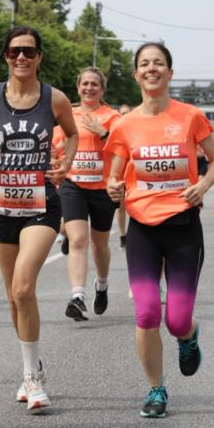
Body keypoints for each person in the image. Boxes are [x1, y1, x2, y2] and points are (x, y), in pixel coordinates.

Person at [0, 27, 78, 411]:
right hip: (3, 206)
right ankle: (32, 366)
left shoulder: (54, 99)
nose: (21, 58)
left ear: (40, 56)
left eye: (28, 51)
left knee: (24, 288)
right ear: (6, 57)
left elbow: (73, 135)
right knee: (13, 297)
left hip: (42, 205)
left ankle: (32, 379)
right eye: (14, 52)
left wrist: (67, 166)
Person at [106, 43, 214, 419]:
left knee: (175, 320)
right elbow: (114, 175)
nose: (151, 68)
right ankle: (156, 390)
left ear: (169, 73)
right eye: (144, 64)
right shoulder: (124, 125)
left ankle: (188, 336)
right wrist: (113, 186)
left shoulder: (190, 117)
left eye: (158, 63)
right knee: (145, 314)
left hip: (183, 226)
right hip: (142, 226)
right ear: (136, 74)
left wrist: (202, 187)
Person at [58, 68, 121, 321]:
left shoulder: (113, 116)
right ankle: (77, 296)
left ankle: (102, 285)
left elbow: (122, 149)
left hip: (103, 188)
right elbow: (57, 143)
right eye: (85, 84)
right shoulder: (68, 114)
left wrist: (102, 132)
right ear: (78, 87)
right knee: (77, 239)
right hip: (73, 184)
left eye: (95, 84)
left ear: (102, 89)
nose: (89, 88)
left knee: (100, 244)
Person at [116, 104, 131, 247]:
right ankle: (122, 234)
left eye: (127, 113)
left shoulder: (138, 128)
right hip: (120, 174)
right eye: (122, 113)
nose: (125, 115)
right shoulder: (117, 130)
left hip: (136, 174)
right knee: (120, 207)